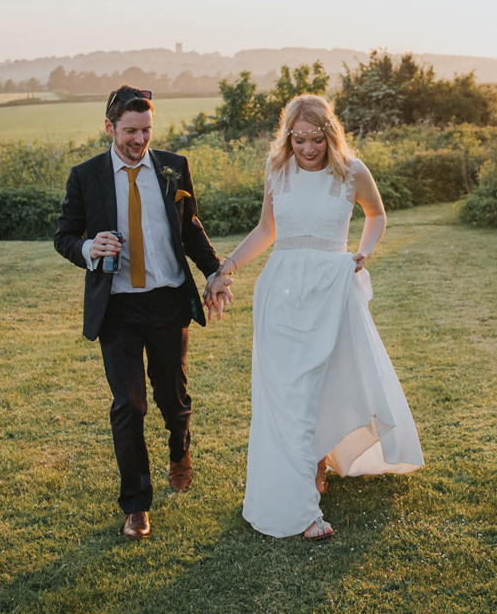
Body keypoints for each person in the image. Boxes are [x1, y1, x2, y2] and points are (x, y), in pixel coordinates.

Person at [214, 94, 423, 540]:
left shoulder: (352, 172)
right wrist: (226, 267)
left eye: (317, 139)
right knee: (288, 393)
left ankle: (317, 463)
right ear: (288, 136)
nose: (309, 148)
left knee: (324, 383)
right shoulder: (277, 171)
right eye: (300, 138)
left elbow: (377, 214)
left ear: (331, 134)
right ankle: (303, 501)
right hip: (282, 294)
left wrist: (363, 252)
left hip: (331, 290)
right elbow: (267, 230)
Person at [54, 86, 233, 540]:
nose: (140, 140)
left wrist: (214, 271)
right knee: (128, 406)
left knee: (173, 401)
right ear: (110, 127)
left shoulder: (173, 167)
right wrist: (87, 247)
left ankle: (180, 449)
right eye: (131, 131)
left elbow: (190, 228)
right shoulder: (86, 176)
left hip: (168, 300)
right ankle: (136, 504)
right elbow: (64, 235)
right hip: (117, 307)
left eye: (147, 130)